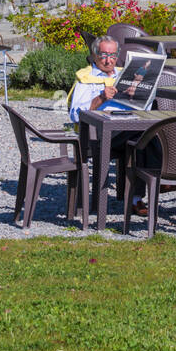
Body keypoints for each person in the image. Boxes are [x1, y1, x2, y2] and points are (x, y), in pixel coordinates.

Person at [69, 37, 150, 218]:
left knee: (150, 134)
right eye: (104, 55)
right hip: (98, 134)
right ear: (94, 55)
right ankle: (156, 183)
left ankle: (140, 194)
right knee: (144, 136)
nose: (108, 60)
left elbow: (147, 108)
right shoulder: (86, 78)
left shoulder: (125, 75)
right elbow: (75, 114)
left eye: (112, 55)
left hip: (128, 127)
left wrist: (138, 95)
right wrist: (100, 99)